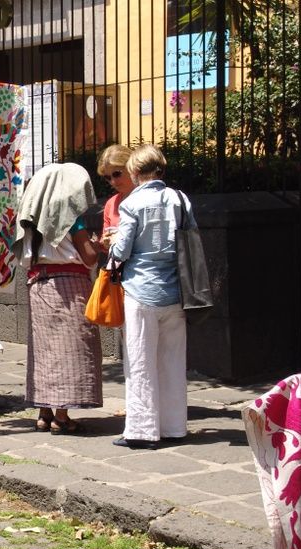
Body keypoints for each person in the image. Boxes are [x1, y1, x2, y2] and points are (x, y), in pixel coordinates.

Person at [110, 144, 194, 449]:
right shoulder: (179, 199)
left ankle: (142, 431)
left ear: (134, 171)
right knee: (173, 360)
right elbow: (191, 240)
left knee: (140, 362)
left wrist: (112, 244)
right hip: (176, 291)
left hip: (140, 290)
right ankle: (174, 426)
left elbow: (122, 250)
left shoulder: (131, 203)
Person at [14, 163, 103, 435]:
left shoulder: (30, 218)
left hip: (37, 285)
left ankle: (44, 413)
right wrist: (97, 244)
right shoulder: (71, 220)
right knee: (70, 350)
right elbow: (88, 257)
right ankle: (62, 416)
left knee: (43, 352)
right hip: (69, 285)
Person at [96, 144, 136, 250]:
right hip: (119, 264)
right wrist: (104, 242)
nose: (113, 181)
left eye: (117, 174)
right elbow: (105, 244)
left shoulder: (149, 197)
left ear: (131, 168)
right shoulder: (111, 203)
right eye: (108, 177)